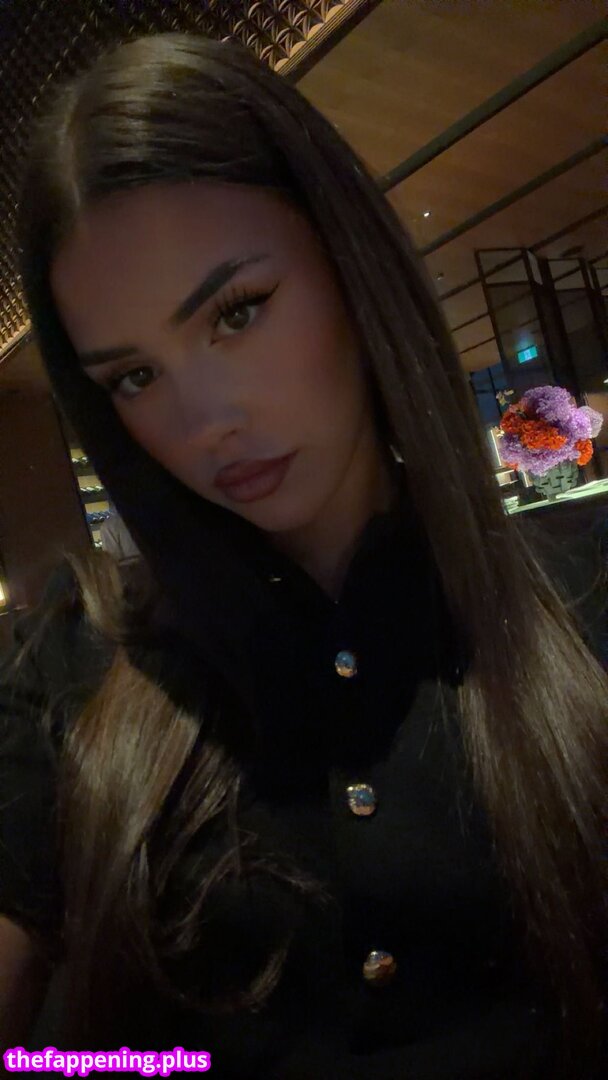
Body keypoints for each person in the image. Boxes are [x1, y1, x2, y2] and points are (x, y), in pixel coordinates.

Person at [0, 30, 605, 1079]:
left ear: (346, 261)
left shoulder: (583, 588)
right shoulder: (73, 667)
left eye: (237, 313)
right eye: (134, 377)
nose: (206, 421)